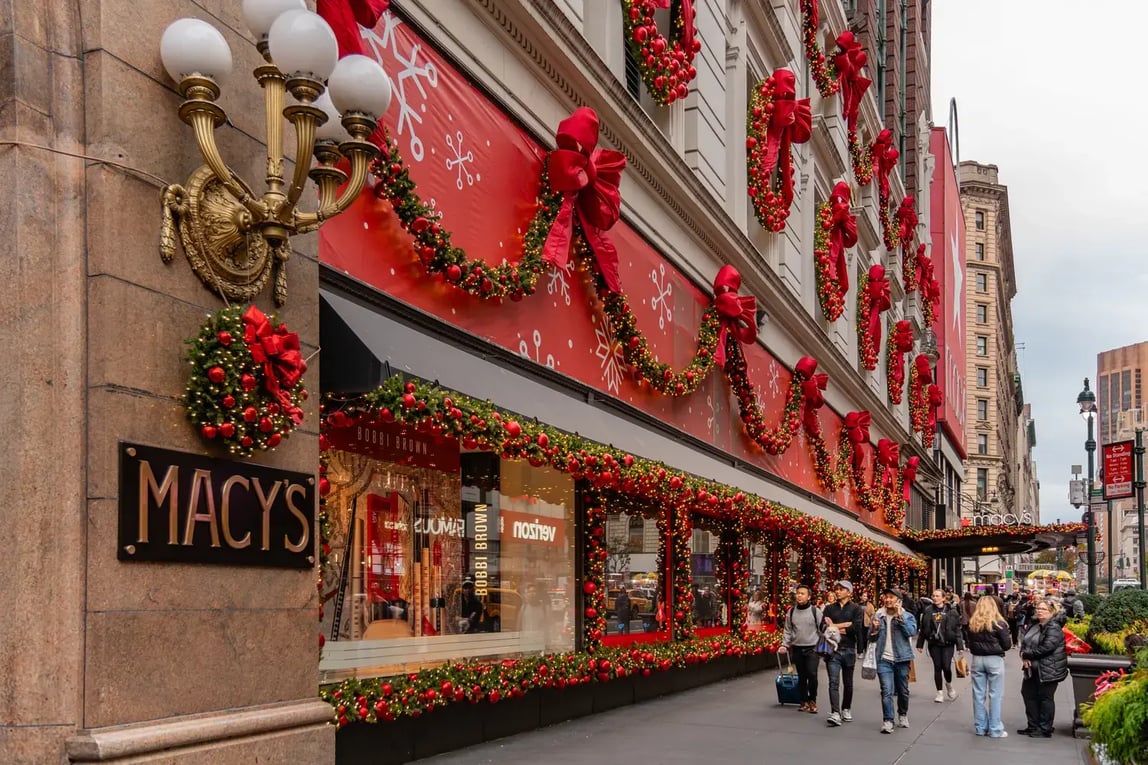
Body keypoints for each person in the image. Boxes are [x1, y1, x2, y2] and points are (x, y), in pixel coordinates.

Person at [870, 587, 917, 733]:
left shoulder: (907, 616)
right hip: (883, 659)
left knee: (903, 691)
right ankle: (888, 720)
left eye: (892, 597)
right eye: (886, 597)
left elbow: (911, 632)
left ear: (899, 601)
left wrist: (900, 617)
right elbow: (870, 638)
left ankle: (902, 714)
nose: (888, 599)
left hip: (902, 658)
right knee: (886, 691)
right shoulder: (879, 615)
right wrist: (875, 630)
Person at [1018, 601, 1068, 737]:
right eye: (1038, 608)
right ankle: (1033, 725)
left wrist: (1028, 654)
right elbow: (1025, 643)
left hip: (1048, 668)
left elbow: (1047, 647)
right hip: (1032, 668)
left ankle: (1045, 728)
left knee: (1045, 698)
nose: (1039, 611)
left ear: (1051, 612)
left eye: (1043, 609)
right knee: (1028, 694)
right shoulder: (1034, 625)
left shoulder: (1053, 627)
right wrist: (1024, 656)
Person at [967, 594, 1012, 737]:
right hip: (994, 659)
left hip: (977, 659)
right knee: (995, 695)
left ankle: (980, 727)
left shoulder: (973, 623)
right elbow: (1007, 645)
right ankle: (995, 728)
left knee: (978, 695)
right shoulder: (999, 623)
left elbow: (969, 643)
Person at [822, 581, 865, 726]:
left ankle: (846, 708)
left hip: (849, 649)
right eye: (837, 589)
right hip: (832, 649)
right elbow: (824, 627)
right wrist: (845, 625)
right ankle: (835, 712)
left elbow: (855, 628)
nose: (838, 591)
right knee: (833, 682)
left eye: (842, 589)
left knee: (848, 682)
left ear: (849, 592)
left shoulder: (856, 609)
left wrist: (834, 626)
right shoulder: (829, 608)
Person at [780, 583, 824, 714]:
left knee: (812, 674)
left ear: (809, 597)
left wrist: (824, 647)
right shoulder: (791, 611)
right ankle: (803, 701)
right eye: (797, 593)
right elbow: (788, 630)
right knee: (801, 676)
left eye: (802, 593)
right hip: (797, 648)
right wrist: (784, 644)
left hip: (812, 648)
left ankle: (813, 700)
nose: (799, 596)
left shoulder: (815, 611)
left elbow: (822, 630)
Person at [916, 588, 965, 703]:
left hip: (948, 642)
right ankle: (939, 692)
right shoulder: (928, 610)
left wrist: (960, 645)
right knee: (937, 667)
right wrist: (920, 644)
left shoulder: (951, 611)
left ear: (944, 598)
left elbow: (957, 629)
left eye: (938, 596)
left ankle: (949, 684)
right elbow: (923, 628)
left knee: (946, 667)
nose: (935, 598)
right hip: (934, 643)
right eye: (933, 596)